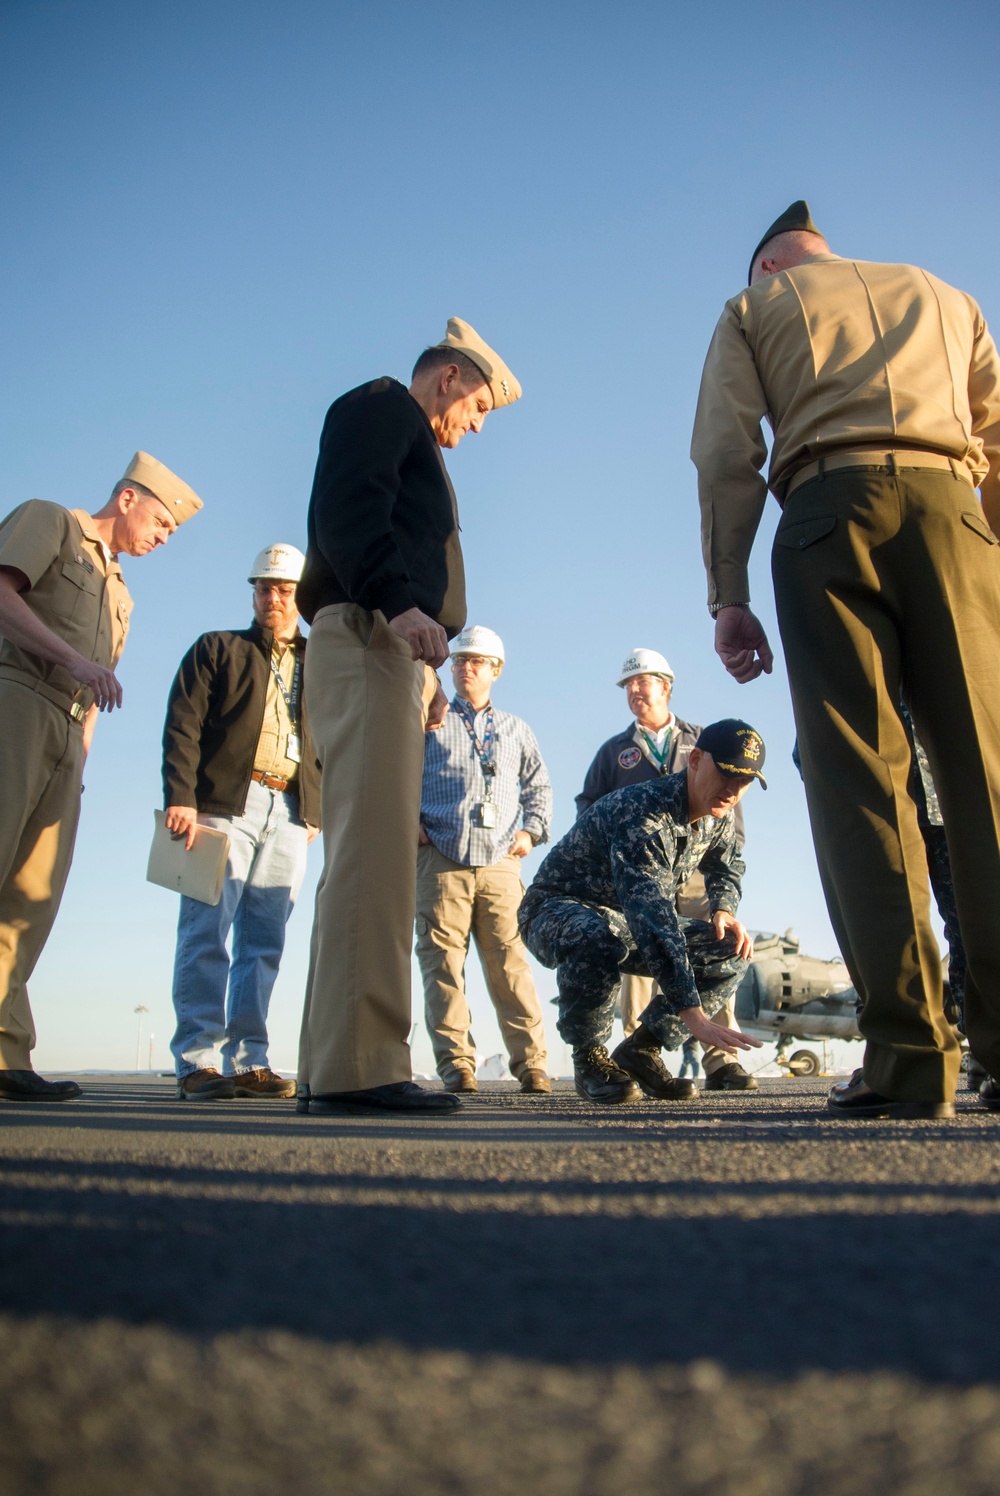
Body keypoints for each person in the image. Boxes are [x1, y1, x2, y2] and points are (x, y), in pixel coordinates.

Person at [690, 199, 1000, 1119]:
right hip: (957, 513)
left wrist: (728, 590)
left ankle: (911, 1061)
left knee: (861, 782)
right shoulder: (947, 297)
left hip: (830, 515)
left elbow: (725, 451)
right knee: (985, 775)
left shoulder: (755, 310)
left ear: (770, 270)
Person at [295, 318, 522, 1116]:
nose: (472, 430)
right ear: (451, 377)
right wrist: (396, 602)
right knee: (374, 860)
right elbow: (351, 507)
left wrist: (421, 667)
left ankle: (333, 1062)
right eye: (480, 409)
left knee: (367, 855)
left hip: (389, 648)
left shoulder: (406, 428)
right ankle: (361, 1067)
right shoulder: (383, 406)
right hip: (369, 632)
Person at [0, 452, 202, 1101]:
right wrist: (72, 663)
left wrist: (80, 761)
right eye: (162, 522)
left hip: (67, 732)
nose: (163, 536)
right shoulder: (52, 522)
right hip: (16, 698)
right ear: (127, 498)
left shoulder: (121, 594)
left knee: (32, 898)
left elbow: (97, 688)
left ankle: (5, 1057)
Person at [518, 720, 765, 1104]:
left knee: (731, 949)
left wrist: (723, 908)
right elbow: (653, 920)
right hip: (555, 909)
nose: (733, 790)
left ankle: (641, 1050)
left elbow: (727, 864)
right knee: (596, 936)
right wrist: (693, 1016)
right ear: (696, 760)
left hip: (622, 918)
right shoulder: (645, 816)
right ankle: (590, 1059)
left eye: (746, 781)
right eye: (728, 774)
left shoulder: (718, 812)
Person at [162, 544, 321, 1100]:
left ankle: (251, 1060)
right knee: (206, 929)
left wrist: (316, 809)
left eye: (283, 589)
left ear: (302, 595)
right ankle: (198, 1062)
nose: (272, 598)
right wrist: (181, 797)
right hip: (223, 805)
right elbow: (183, 726)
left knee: (265, 940)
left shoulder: (319, 659)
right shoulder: (216, 649)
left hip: (292, 812)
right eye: (263, 587)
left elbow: (328, 737)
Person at [577, 647, 754, 1090]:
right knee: (639, 961)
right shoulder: (613, 752)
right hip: (634, 877)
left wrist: (722, 897)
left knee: (714, 948)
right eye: (628, 685)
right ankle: (636, 1054)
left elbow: (729, 820)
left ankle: (721, 1059)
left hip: (692, 872)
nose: (635, 690)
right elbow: (588, 807)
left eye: (643, 681)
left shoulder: (704, 739)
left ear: (666, 687)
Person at [417, 624, 553, 1095]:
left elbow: (539, 786)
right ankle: (457, 1065)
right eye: (458, 660)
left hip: (500, 862)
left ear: (496, 670)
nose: (465, 667)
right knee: (442, 965)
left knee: (511, 963)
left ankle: (532, 1063)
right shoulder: (428, 719)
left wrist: (531, 831)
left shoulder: (516, 729)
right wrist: (409, 824)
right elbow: (398, 773)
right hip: (440, 856)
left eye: (476, 661)